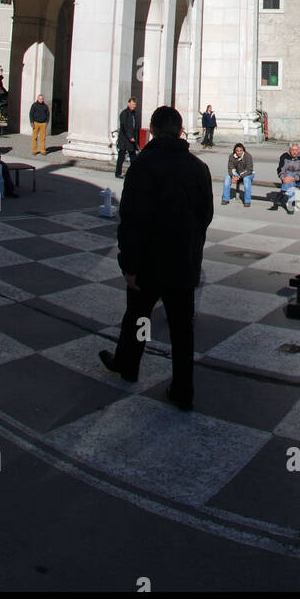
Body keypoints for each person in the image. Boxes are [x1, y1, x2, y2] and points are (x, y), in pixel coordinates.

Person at [100, 105, 213, 408]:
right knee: (181, 329)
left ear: (151, 130)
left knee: (137, 317)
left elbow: (132, 219)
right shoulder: (198, 168)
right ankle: (182, 389)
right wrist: (191, 247)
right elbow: (206, 215)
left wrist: (129, 263)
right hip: (183, 262)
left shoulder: (143, 165)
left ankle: (128, 366)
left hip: (148, 262)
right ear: (180, 131)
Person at [277, 142, 300, 212]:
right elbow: (280, 169)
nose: (295, 152)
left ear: (299, 150)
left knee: (290, 178)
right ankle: (290, 206)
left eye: (296, 150)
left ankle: (282, 192)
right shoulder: (284, 156)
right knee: (290, 181)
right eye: (293, 150)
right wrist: (283, 178)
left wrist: (293, 178)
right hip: (286, 179)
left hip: (299, 180)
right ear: (289, 150)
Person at [115, 97, 139, 178]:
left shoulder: (134, 114)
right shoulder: (124, 113)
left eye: (135, 104)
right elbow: (123, 127)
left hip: (131, 140)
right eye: (132, 104)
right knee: (121, 157)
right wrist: (130, 137)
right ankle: (118, 173)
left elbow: (135, 127)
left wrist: (135, 138)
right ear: (128, 104)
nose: (134, 106)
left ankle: (134, 173)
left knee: (133, 158)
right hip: (124, 139)